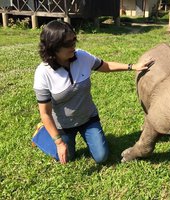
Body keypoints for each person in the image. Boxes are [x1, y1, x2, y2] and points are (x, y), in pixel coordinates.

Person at [33, 20, 151, 164]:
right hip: (63, 125)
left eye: (74, 40)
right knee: (64, 158)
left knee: (102, 157)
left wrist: (133, 66)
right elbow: (45, 113)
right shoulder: (43, 73)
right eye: (67, 43)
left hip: (88, 118)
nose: (73, 46)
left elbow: (105, 66)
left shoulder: (82, 57)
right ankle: (44, 131)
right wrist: (58, 142)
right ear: (53, 46)